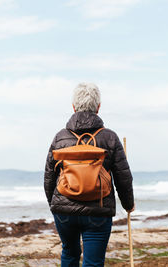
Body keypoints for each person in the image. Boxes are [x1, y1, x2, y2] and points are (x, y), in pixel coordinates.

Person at [44, 82, 135, 267]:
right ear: (98, 107)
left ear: (73, 106)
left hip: (64, 210)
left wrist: (55, 204)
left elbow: (49, 177)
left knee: (69, 253)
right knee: (93, 262)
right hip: (98, 210)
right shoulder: (109, 137)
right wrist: (128, 204)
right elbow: (123, 177)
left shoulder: (60, 137)